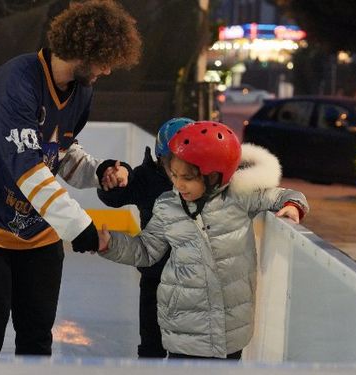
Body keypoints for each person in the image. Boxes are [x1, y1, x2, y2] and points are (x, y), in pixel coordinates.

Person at [0, 0, 141, 355]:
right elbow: (28, 169)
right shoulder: (16, 82)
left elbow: (58, 152)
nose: (108, 70)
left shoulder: (82, 90)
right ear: (84, 51)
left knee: (37, 338)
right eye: (104, 61)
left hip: (39, 232)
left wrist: (98, 171)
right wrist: (79, 227)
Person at [96, 121, 309, 360]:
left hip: (230, 326)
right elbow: (147, 249)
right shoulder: (167, 205)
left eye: (187, 177)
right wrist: (111, 244)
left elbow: (282, 195)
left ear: (213, 175)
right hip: (183, 324)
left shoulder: (240, 196)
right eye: (174, 175)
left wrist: (293, 206)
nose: (177, 184)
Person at [95, 117, 194, 358]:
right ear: (161, 158)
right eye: (172, 162)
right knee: (151, 346)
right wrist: (115, 183)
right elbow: (117, 197)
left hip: (191, 282)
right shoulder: (147, 177)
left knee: (186, 349)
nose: (179, 169)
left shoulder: (202, 182)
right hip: (154, 276)